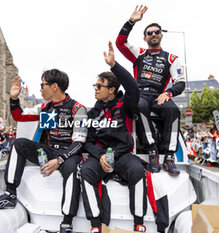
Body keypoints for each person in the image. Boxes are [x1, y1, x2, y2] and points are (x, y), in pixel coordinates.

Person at [0, 69, 88, 233]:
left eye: (42, 85)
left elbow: (80, 142)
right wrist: (13, 98)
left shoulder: (77, 108)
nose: (40, 89)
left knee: (73, 168)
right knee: (19, 144)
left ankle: (67, 221)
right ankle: (10, 194)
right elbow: (20, 116)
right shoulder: (46, 107)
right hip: (49, 151)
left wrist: (60, 159)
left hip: (69, 154)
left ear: (54, 86)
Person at [80, 41, 147, 232]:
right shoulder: (92, 113)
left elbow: (133, 88)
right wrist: (100, 155)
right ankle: (95, 224)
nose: (96, 88)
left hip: (122, 154)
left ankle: (139, 222)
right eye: (95, 85)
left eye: (100, 86)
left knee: (137, 170)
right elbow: (88, 142)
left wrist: (114, 65)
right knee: (86, 171)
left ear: (111, 90)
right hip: (100, 156)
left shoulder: (125, 104)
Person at [116, 5, 186, 175]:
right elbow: (120, 43)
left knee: (173, 110)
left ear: (161, 35)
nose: (153, 34)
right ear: (145, 38)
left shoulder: (171, 58)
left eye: (156, 32)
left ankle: (169, 157)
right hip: (139, 94)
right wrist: (131, 21)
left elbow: (180, 82)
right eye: (149, 33)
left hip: (159, 95)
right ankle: (152, 151)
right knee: (139, 106)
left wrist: (168, 93)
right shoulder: (139, 53)